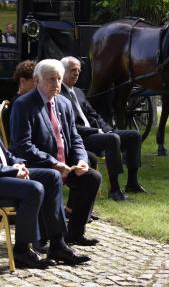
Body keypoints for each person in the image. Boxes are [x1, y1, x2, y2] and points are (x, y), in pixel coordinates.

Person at [0, 60, 89, 267]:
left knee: (52, 176)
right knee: (33, 188)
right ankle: (21, 251)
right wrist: (10, 170)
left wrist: (17, 164)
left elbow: (3, 151)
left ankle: (57, 244)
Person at [10, 59, 102, 246]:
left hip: (65, 165)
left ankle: (75, 233)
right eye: (51, 79)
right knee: (52, 177)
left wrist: (81, 160)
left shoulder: (63, 103)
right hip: (39, 166)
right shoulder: (24, 105)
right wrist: (53, 162)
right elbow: (22, 146)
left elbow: (75, 138)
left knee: (92, 177)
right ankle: (47, 236)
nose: (57, 84)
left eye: (59, 79)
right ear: (37, 81)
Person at [60, 56, 147, 201]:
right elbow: (70, 127)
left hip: (97, 133)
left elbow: (95, 115)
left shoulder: (79, 92)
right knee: (112, 139)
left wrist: (107, 129)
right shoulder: (59, 94)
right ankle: (114, 189)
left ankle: (132, 183)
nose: (76, 74)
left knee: (134, 135)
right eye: (73, 70)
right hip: (80, 138)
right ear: (62, 71)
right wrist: (97, 131)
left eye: (79, 71)